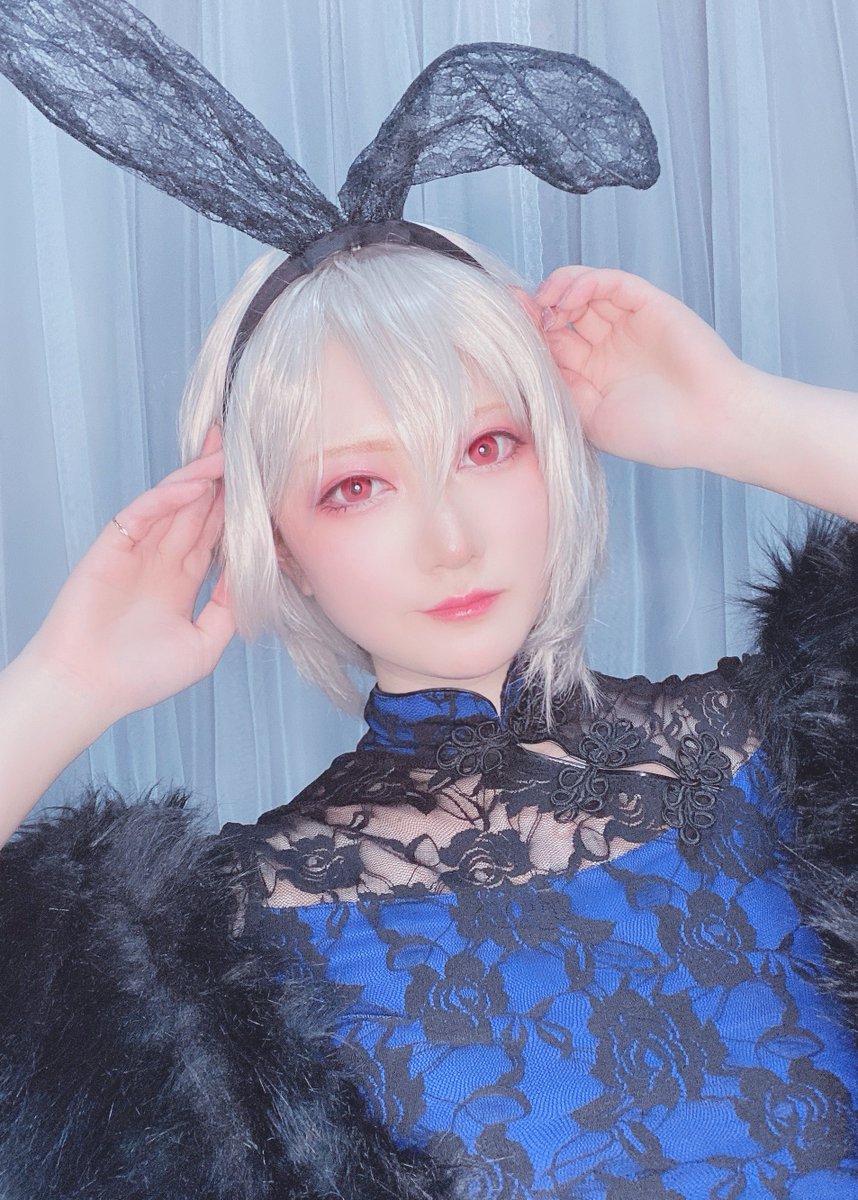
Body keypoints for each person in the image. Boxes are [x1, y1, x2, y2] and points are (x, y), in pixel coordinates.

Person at [1, 238, 858, 1199]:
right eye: (356, 486)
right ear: (278, 545)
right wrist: (67, 680)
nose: (450, 540)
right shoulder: (215, 956)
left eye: (487, 447)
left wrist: (739, 417)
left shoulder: (794, 747)